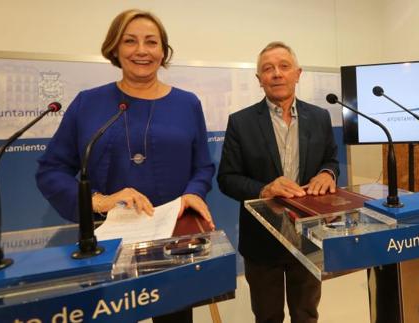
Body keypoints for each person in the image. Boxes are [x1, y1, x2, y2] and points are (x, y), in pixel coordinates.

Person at [36, 9, 215, 323]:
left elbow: (202, 167)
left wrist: (193, 193)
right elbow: (51, 170)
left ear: (163, 51)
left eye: (151, 42)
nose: (142, 50)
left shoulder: (188, 104)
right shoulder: (87, 103)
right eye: (130, 41)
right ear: (115, 49)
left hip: (172, 244)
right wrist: (97, 201)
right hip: (108, 244)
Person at [217, 41, 339, 323]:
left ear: (298, 73)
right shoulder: (240, 122)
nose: (277, 74)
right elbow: (227, 179)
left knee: (306, 314)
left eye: (284, 66)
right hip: (261, 241)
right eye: (268, 69)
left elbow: (331, 161)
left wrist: (327, 174)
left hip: (309, 236)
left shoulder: (320, 117)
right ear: (259, 80)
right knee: (268, 316)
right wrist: (264, 189)